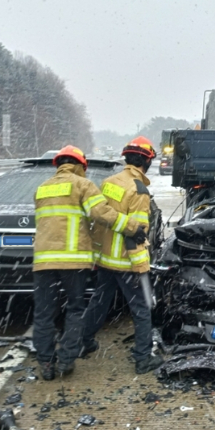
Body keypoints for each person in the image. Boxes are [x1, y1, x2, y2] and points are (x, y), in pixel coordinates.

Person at [32, 145, 146, 380]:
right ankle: (66, 360)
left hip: (43, 261)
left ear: (58, 164)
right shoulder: (83, 185)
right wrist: (133, 228)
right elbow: (102, 214)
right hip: (73, 260)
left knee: (44, 313)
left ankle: (45, 363)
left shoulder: (41, 188)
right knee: (74, 309)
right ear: (80, 166)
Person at [82, 136, 163, 374]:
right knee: (142, 307)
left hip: (106, 259)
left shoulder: (108, 182)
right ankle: (142, 358)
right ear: (146, 162)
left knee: (99, 302)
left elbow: (101, 218)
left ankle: (83, 342)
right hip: (127, 262)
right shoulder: (139, 190)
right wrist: (141, 267)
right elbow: (136, 234)